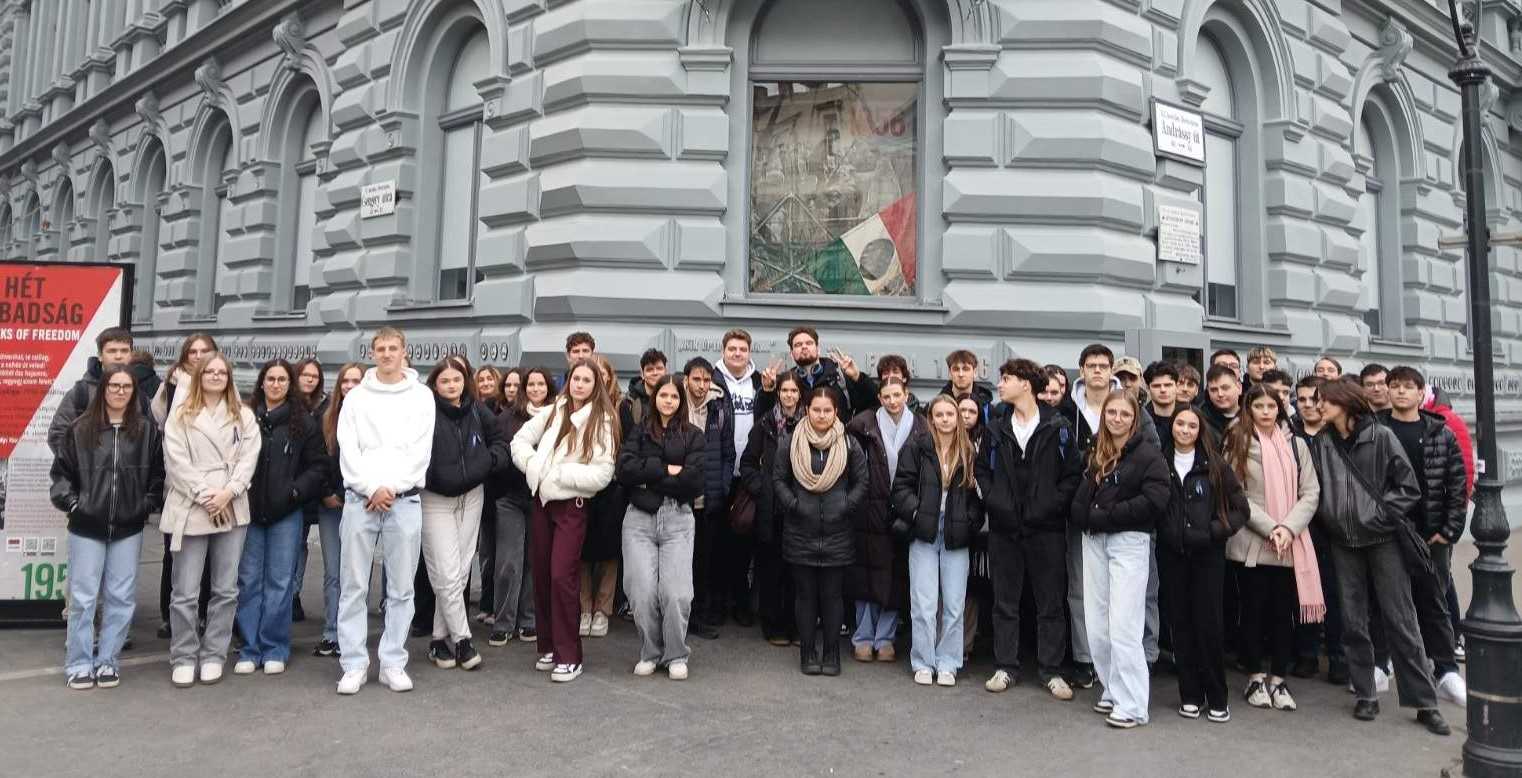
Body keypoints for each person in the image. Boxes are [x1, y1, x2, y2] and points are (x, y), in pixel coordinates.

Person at [1307, 380, 1449, 735]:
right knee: (1353, 621)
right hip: (1343, 542)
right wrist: (1331, 520)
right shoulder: (1322, 443)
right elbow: (1316, 490)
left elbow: (1408, 487)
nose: (1318, 406)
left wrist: (1377, 516)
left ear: (1344, 402)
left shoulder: (1381, 437)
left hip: (1383, 540)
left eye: (1324, 401)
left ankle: (1425, 702)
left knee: (1401, 619)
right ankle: (1365, 694)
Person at [334, 328, 436, 695]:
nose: (387, 354)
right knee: (353, 585)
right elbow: (349, 448)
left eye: (394, 348)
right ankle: (354, 663)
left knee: (402, 587)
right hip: (360, 500)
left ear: (404, 351)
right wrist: (370, 487)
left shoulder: (422, 396)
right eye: (381, 348)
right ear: (372, 353)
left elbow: (420, 451)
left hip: (403, 500)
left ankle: (393, 661)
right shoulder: (357, 397)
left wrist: (390, 488)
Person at [51, 365, 164, 690]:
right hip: (86, 526)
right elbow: (60, 476)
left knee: (121, 597)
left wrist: (144, 506)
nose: (120, 391)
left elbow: (157, 477)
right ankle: (79, 663)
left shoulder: (146, 431)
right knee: (83, 598)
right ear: (103, 389)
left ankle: (108, 661)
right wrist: (75, 505)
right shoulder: (81, 429)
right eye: (114, 385)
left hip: (128, 527)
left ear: (134, 392)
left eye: (126, 387)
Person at [976, 358, 1081, 700]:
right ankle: (1006, 667)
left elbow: (1071, 476)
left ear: (1025, 384)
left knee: (1050, 603)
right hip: (1005, 529)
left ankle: (1052, 671)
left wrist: (1049, 506)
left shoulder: (1059, 427)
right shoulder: (995, 428)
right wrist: (997, 502)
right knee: (1004, 602)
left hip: (1047, 530)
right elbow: (982, 471)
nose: (1000, 384)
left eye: (1006, 378)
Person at [1059, 344, 1161, 688]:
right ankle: (1087, 659)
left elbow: (1150, 461)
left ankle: (1142, 659)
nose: (1098, 371)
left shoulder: (1132, 408)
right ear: (1082, 370)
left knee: (1134, 599)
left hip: (1128, 522)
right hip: (1087, 519)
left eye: (1104, 365)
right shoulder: (1068, 410)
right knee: (1084, 593)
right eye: (1092, 365)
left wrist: (1119, 506)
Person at [511, 359, 619, 683]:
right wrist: (534, 466)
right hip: (541, 502)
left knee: (562, 576)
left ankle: (569, 656)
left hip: (572, 505)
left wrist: (560, 474)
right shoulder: (554, 410)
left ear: (596, 385)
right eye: (576, 378)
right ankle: (548, 647)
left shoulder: (602, 420)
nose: (580, 385)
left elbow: (603, 473)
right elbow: (518, 441)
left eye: (587, 380)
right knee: (542, 575)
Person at [161, 352, 262, 688]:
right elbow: (176, 461)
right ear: (199, 376)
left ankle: (214, 654)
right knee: (185, 591)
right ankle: (183, 655)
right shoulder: (181, 414)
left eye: (222, 372)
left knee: (225, 589)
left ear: (229, 378)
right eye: (210, 372)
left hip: (231, 504)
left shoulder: (243, 415)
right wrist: (207, 495)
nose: (216, 376)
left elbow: (249, 459)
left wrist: (227, 493)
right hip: (193, 504)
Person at [1070, 390, 1170, 729]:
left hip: (1129, 541)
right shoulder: (1096, 451)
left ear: (1135, 418)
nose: (1117, 419)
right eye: (1111, 412)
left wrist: (1108, 515)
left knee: (1124, 625)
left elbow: (1155, 500)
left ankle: (1134, 704)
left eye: (1124, 414)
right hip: (1094, 539)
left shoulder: (1149, 455)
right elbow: (1084, 494)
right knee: (1097, 624)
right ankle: (1113, 689)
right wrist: (1084, 516)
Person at [1222, 383, 1323, 712]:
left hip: (1291, 542)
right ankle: (1255, 677)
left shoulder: (1296, 444)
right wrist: (1271, 528)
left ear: (1280, 408)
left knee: (1284, 614)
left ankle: (1279, 679)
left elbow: (1310, 492)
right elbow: (1234, 493)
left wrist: (1288, 528)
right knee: (1252, 613)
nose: (1266, 412)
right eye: (1259, 406)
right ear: (1248, 409)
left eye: (1271, 406)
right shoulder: (1236, 440)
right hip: (1253, 541)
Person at [1378, 366, 1468, 705]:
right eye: (1395, 386)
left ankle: (1445, 670)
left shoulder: (1440, 433)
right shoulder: (1375, 430)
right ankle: (1382, 663)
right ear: (1388, 391)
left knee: (1435, 602)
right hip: (1389, 532)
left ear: (1421, 393)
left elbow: (1456, 485)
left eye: (1408, 386)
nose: (1401, 391)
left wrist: (1448, 530)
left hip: (1430, 534)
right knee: (1386, 600)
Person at [234, 359, 328, 676]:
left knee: (280, 582)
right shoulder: (246, 418)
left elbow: (318, 466)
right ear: (261, 382)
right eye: (271, 379)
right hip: (249, 512)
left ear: (290, 385)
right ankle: (249, 648)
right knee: (248, 581)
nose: (276, 384)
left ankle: (274, 647)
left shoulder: (304, 422)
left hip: (286, 513)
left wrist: (295, 491)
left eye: (282, 380)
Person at [420, 355, 509, 672]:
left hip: (472, 496)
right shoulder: (424, 411)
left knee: (458, 573)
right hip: (435, 499)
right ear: (434, 384)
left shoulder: (476, 409)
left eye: (456, 379)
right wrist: (430, 476)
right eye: (444, 381)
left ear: (464, 382)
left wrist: (488, 463)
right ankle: (462, 639)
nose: (451, 385)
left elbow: (500, 441)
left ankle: (437, 640)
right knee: (445, 573)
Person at [1158, 407, 1247, 722]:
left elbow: (1241, 509)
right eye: (1179, 423)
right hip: (1172, 555)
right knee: (1180, 625)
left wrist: (1212, 532)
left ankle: (1217, 697)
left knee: (1208, 625)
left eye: (1192, 425)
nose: (1185, 429)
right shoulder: (1160, 462)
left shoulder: (1215, 465)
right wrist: (1169, 532)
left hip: (1207, 557)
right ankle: (1190, 695)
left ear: (1200, 430)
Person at [774, 386, 868, 676]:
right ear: (807, 410)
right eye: (816, 410)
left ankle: (831, 652)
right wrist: (794, 505)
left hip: (838, 533)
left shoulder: (849, 444)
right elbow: (778, 480)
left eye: (828, 410)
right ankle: (807, 652)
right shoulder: (790, 442)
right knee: (805, 596)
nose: (822, 415)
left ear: (836, 412)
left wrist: (845, 505)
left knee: (832, 597)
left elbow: (862, 482)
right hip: (800, 532)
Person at [617, 375, 705, 679]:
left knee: (676, 593)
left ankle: (676, 654)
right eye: (663, 395)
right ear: (655, 399)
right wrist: (668, 469)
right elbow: (625, 471)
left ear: (681, 400)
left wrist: (648, 477)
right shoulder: (640, 431)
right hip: (639, 519)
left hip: (678, 517)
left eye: (674, 396)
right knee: (640, 592)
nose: (668, 401)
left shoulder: (693, 435)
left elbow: (694, 481)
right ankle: (651, 652)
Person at [894, 393, 983, 687]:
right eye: (939, 415)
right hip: (924, 532)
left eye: (950, 414)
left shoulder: (968, 451)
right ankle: (923, 661)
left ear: (957, 418)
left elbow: (977, 498)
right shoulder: (917, 447)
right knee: (924, 603)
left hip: (956, 534)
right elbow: (901, 488)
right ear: (931, 418)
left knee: (955, 604)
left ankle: (948, 662)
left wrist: (969, 523)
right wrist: (917, 513)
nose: (945, 420)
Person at [845, 378, 924, 662]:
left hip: (902, 509)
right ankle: (863, 637)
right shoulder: (863, 425)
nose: (892, 401)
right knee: (866, 574)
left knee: (895, 576)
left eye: (897, 395)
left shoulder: (920, 426)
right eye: (887, 396)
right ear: (879, 398)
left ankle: (885, 637)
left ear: (906, 395)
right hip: (869, 509)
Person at [151, 332, 219, 639]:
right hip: (177, 483)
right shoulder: (171, 384)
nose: (199, 356)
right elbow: (159, 422)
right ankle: (170, 615)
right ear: (185, 356)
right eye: (193, 351)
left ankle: (202, 613)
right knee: (174, 552)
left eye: (205, 350)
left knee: (209, 556)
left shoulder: (220, 384)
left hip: (213, 489)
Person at [488, 367, 555, 646]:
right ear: (524, 388)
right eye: (531, 384)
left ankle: (528, 620)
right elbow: (500, 453)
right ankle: (503, 621)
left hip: (541, 498)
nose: (536, 389)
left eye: (541, 384)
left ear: (548, 387)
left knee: (533, 562)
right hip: (511, 498)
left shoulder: (557, 417)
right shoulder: (507, 418)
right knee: (508, 563)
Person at [740, 371, 803, 646]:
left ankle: (795, 625)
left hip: (800, 509)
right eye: (785, 390)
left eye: (794, 391)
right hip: (771, 509)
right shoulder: (765, 424)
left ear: (800, 394)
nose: (789, 395)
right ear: (778, 393)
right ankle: (773, 625)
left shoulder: (809, 423)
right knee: (770, 569)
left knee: (797, 572)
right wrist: (762, 489)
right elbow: (747, 463)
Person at [312, 362, 364, 658]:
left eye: (356, 380)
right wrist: (326, 493)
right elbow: (318, 460)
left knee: (356, 573)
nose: (350, 386)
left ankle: (353, 634)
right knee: (334, 571)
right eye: (346, 380)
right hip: (331, 504)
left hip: (362, 504)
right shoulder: (326, 417)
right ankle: (332, 632)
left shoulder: (371, 415)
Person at [683, 357, 737, 637]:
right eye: (696, 379)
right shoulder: (676, 404)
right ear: (686, 380)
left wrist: (723, 486)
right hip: (680, 500)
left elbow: (728, 453)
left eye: (706, 380)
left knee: (703, 562)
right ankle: (679, 616)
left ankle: (699, 616)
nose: (702, 385)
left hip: (708, 500)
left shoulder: (718, 408)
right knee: (680, 563)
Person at [50, 327, 147, 455]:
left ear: (131, 355)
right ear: (100, 356)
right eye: (112, 351)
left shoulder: (140, 396)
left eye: (124, 351)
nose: (118, 356)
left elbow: (149, 439)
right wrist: (82, 463)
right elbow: (58, 435)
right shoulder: (81, 393)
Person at [758, 326, 873, 419]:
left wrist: (858, 377)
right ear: (792, 354)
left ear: (818, 349)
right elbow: (765, 420)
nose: (804, 347)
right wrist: (767, 391)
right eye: (798, 345)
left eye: (809, 343)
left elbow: (872, 404)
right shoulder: (787, 382)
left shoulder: (839, 375)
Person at [290, 357, 326, 624]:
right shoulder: (289, 404)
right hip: (290, 487)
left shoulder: (323, 406)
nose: (310, 380)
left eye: (314, 376)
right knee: (291, 543)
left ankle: (294, 592)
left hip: (314, 487)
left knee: (299, 543)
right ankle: (288, 594)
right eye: (305, 375)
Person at [473, 363, 505, 623]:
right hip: (479, 488)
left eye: (489, 379)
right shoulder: (472, 409)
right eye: (481, 379)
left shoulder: (501, 411)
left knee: (499, 551)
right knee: (486, 552)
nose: (485, 383)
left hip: (499, 488)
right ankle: (486, 602)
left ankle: (496, 605)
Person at [620, 349, 668, 433]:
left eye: (659, 368)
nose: (655, 373)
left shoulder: (674, 398)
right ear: (642, 374)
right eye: (650, 369)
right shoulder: (629, 402)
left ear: (666, 371)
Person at [1199, 365, 1242, 442]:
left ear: (1239, 388)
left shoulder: (1253, 416)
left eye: (1225, 388)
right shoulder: (1200, 420)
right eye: (1213, 390)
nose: (1220, 394)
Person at [1143, 361, 1180, 433]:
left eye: (1168, 385)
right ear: (1148, 388)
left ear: (1177, 386)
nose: (1163, 390)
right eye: (1156, 386)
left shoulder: (1190, 417)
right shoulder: (1139, 421)